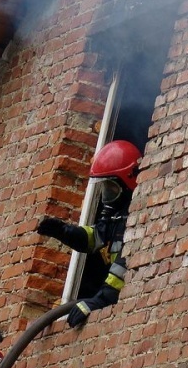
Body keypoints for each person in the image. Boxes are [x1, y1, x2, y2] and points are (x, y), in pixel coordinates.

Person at [36, 140, 142, 327]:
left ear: (128, 182)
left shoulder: (136, 217)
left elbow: (124, 265)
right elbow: (95, 237)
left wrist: (99, 300)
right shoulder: (116, 217)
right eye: (104, 188)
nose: (106, 195)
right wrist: (63, 231)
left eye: (111, 188)